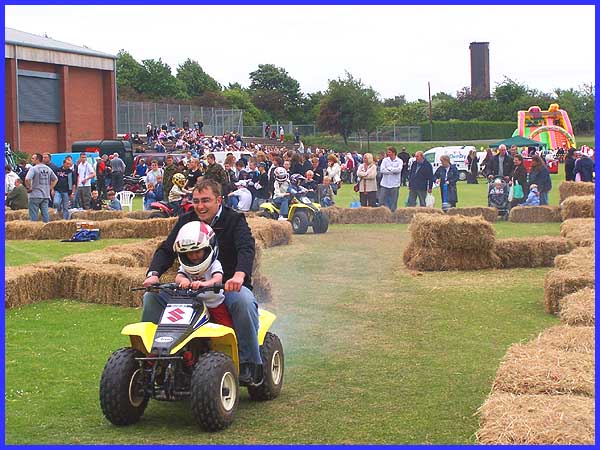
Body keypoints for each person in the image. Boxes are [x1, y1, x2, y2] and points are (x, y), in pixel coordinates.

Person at [143, 178, 263, 386]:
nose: (200, 206)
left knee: (243, 302)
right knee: (151, 297)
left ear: (219, 200)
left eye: (205, 200)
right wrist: (153, 273)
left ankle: (249, 363)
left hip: (225, 286)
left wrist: (239, 275)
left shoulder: (234, 220)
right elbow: (166, 249)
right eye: (196, 201)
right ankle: (152, 360)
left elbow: (246, 248)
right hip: (191, 287)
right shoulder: (187, 220)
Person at [25, 153, 57, 223]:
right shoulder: (48, 168)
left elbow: (27, 179)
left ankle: (34, 229)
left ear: (37, 160)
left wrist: (29, 187)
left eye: (33, 158)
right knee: (45, 214)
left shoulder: (33, 169)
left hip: (35, 195)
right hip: (45, 195)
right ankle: (46, 228)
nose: (31, 160)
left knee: (33, 215)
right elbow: (55, 179)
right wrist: (50, 188)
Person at [379, 147, 403, 212]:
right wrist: (392, 171)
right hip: (385, 184)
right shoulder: (385, 160)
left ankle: (392, 215)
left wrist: (389, 168)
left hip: (395, 184)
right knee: (381, 200)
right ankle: (384, 212)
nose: (388, 153)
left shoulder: (399, 161)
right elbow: (382, 170)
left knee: (394, 202)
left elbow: (399, 170)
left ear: (394, 153)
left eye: (389, 152)